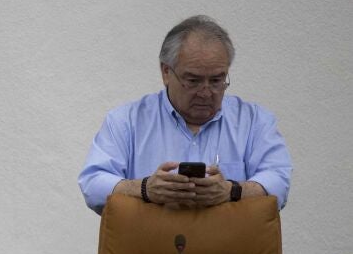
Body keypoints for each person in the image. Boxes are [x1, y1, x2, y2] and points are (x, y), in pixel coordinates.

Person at [78, 15, 292, 214]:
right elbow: (92, 183)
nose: (206, 92)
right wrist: (144, 189)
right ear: (166, 72)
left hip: (227, 243)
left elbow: (279, 181)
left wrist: (232, 191)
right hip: (152, 243)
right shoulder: (126, 121)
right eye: (193, 81)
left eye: (216, 80)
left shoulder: (254, 122)